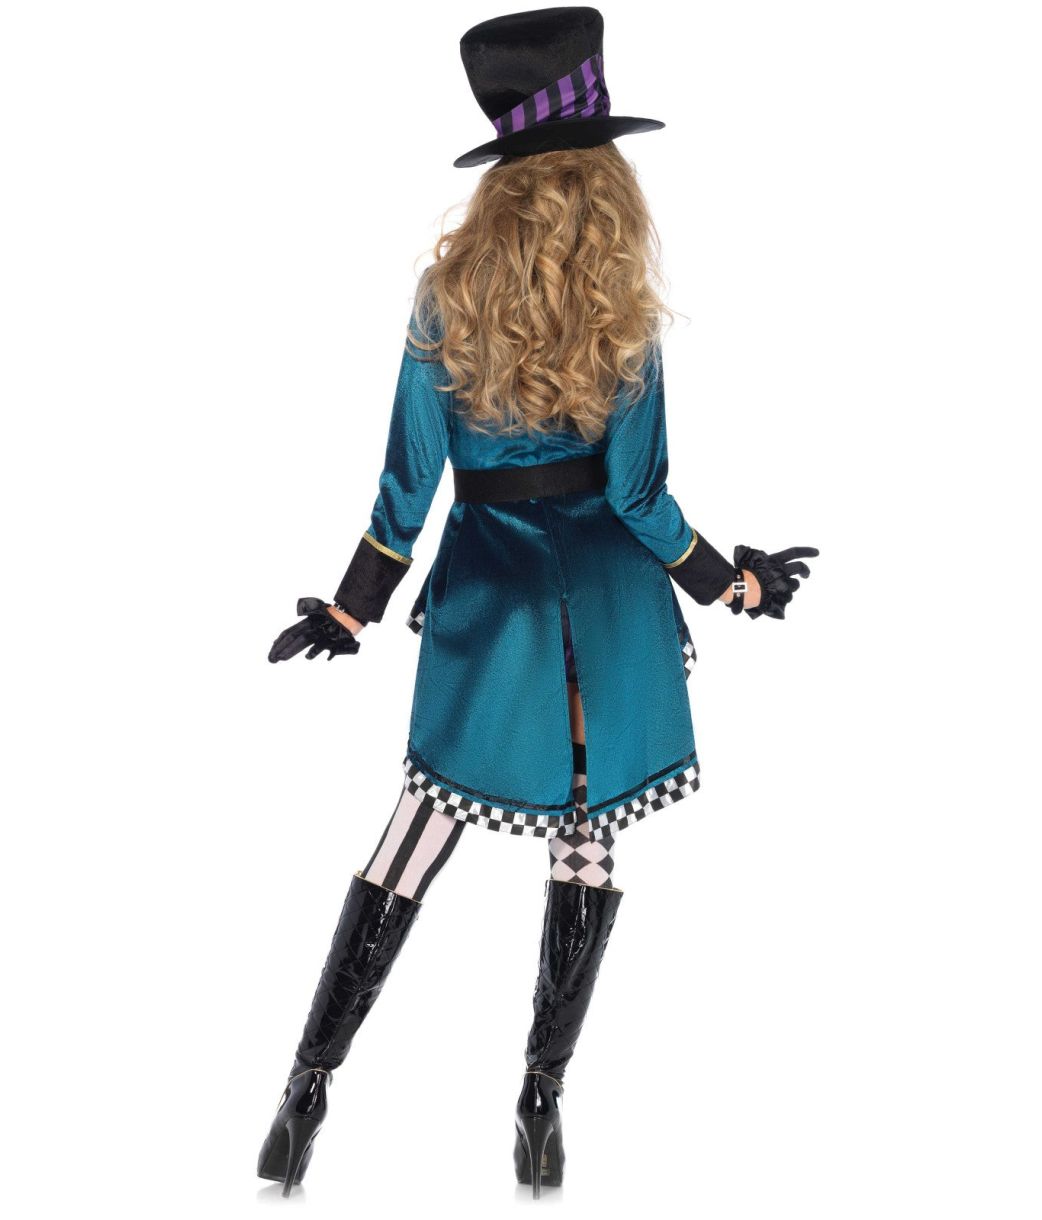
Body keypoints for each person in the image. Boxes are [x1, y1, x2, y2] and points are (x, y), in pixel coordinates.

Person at [257, 6, 818, 1200]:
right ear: (602, 181)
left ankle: (304, 1092)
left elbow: (406, 484)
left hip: (492, 591)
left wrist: (353, 607)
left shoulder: (444, 296)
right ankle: (539, 1105)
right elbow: (638, 497)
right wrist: (733, 583)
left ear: (500, 183)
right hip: (609, 603)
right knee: (586, 833)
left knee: (414, 831)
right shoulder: (622, 311)